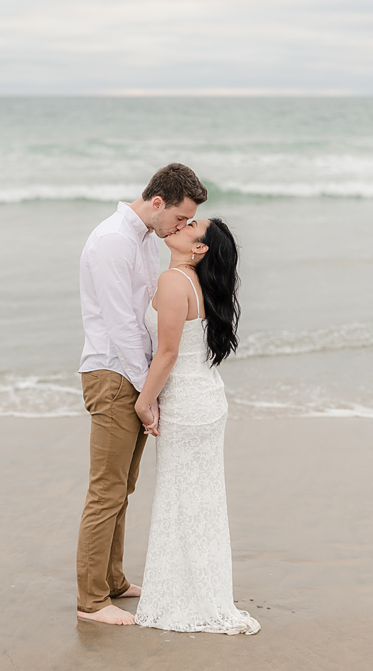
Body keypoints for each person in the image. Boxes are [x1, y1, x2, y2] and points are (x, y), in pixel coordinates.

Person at [76, 163, 208, 626]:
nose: (181, 227)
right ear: (158, 203)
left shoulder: (140, 241)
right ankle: (91, 601)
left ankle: (112, 580)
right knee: (106, 491)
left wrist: (150, 388)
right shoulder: (113, 241)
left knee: (122, 488)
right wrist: (144, 395)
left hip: (131, 377)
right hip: (114, 376)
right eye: (179, 218)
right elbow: (121, 327)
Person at [133, 217, 259, 635]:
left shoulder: (173, 281)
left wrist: (144, 402)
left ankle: (186, 597)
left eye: (191, 225)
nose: (181, 224)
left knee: (181, 499)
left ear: (199, 248)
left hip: (187, 406)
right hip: (206, 400)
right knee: (199, 502)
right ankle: (201, 589)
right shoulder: (199, 284)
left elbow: (167, 354)